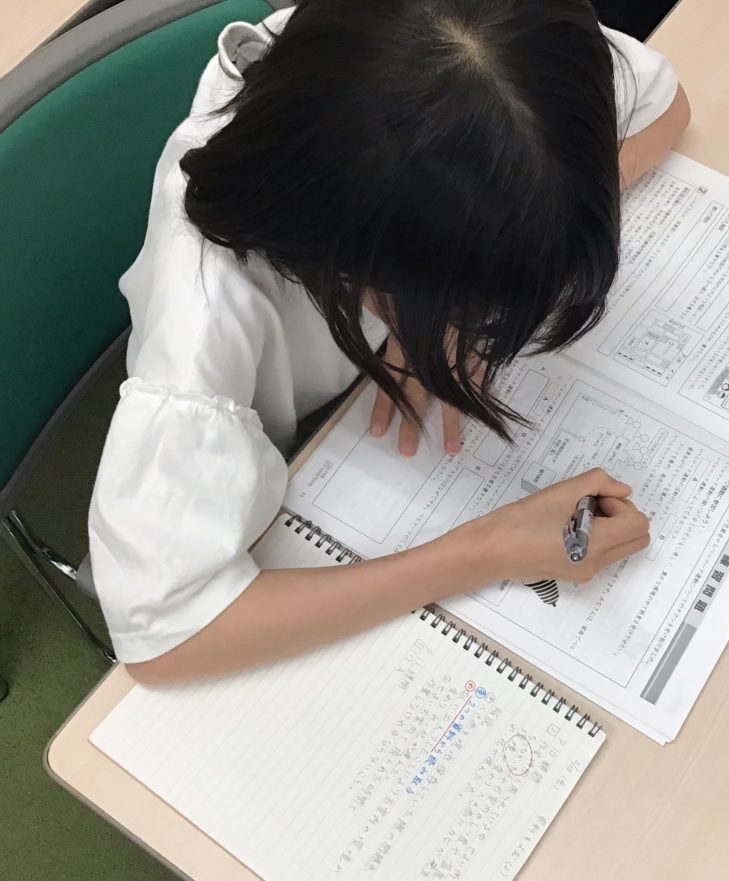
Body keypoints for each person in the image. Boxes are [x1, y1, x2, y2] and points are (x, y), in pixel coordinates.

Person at [89, 0, 690, 683]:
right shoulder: (204, 314)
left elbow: (664, 107)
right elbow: (167, 640)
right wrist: (485, 549)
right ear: (362, 264)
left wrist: (454, 305)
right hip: (265, 443)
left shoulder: (486, 50)